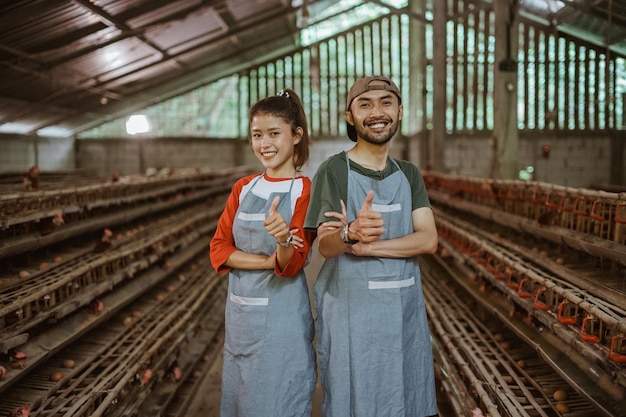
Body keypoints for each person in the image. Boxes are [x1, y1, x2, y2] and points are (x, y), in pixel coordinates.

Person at [304, 75, 439, 417]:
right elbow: (326, 244)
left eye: (386, 102)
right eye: (365, 104)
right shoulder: (335, 170)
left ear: (399, 111)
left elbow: (428, 239)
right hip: (354, 315)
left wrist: (369, 247)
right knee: (356, 400)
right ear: (350, 116)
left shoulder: (408, 174)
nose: (377, 112)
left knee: (405, 394)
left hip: (402, 312)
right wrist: (349, 233)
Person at [209, 89, 316, 417]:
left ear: (296, 136)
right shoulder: (244, 188)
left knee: (279, 400)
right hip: (242, 319)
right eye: (257, 135)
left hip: (281, 323)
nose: (264, 143)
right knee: (240, 401)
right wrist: (267, 260)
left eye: (274, 133)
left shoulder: (304, 190)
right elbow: (219, 249)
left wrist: (283, 241)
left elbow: (292, 264)